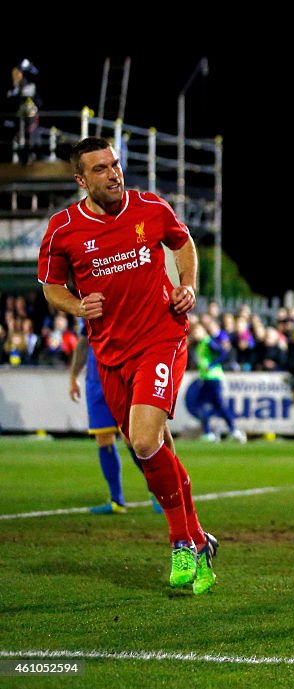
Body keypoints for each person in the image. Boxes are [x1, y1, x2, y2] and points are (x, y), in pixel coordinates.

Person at [37, 136, 218, 595]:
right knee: (156, 450)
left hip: (161, 336)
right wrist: (78, 307)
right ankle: (199, 538)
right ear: (81, 180)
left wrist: (189, 286)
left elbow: (183, 243)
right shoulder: (63, 229)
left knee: (141, 440)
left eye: (114, 165)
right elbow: (51, 287)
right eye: (99, 169)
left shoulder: (150, 208)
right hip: (111, 355)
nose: (113, 174)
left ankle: (181, 541)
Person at [69, 332, 162, 515]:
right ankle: (116, 500)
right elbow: (83, 341)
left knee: (133, 438)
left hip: (121, 373)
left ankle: (159, 492)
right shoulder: (89, 305)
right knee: (103, 438)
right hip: (95, 381)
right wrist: (73, 376)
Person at [191, 322, 246, 443]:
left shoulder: (208, 342)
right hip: (206, 378)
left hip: (213, 378)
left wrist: (211, 365)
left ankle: (231, 430)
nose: (195, 334)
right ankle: (212, 432)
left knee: (216, 405)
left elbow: (223, 353)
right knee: (204, 405)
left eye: (197, 331)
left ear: (203, 331)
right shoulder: (201, 344)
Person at [4, 59, 41, 164]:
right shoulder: (16, 88)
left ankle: (30, 157)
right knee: (17, 140)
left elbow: (38, 102)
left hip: (30, 119)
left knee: (31, 141)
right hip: (19, 119)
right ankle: (18, 157)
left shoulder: (31, 86)